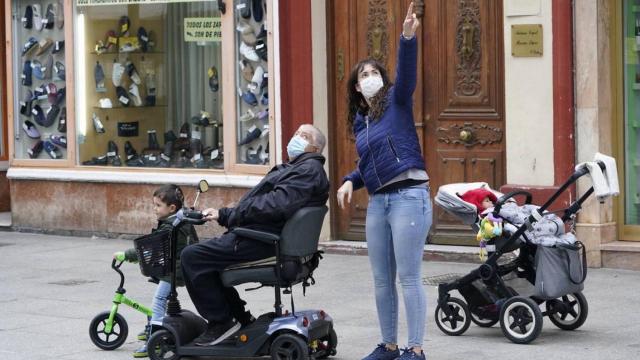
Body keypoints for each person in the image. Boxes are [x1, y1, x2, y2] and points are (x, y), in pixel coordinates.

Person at [336, 3, 431, 359]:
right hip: (379, 203)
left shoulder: (397, 101)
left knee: (409, 276)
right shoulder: (362, 123)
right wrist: (349, 180)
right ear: (357, 88)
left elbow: (406, 73)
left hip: (409, 196)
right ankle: (389, 345)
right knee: (381, 280)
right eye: (364, 75)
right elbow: (370, 163)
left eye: (374, 72)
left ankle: (415, 349)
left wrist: (407, 36)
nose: (370, 77)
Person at [181, 124, 330, 346]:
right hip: (262, 233)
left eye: (304, 135)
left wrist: (227, 214)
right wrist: (225, 215)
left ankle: (221, 322)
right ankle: (239, 318)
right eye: (296, 132)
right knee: (206, 257)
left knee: (192, 256)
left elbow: (275, 205)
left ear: (315, 148)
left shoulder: (306, 170)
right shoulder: (300, 168)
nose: (296, 137)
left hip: (264, 238)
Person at [113, 184, 199, 358]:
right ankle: (156, 327)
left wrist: (126, 255)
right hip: (181, 267)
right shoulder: (182, 219)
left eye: (158, 205)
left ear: (172, 208)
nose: (154, 209)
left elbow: (150, 247)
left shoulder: (170, 226)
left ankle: (155, 337)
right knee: (165, 299)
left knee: (159, 300)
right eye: (154, 205)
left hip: (174, 271)